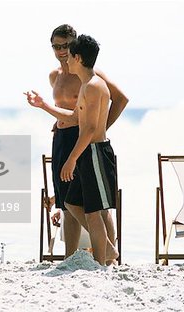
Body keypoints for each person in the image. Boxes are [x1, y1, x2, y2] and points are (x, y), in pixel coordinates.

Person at [26, 34, 118, 265]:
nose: (64, 57)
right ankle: (107, 249)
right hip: (85, 151)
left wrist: (71, 159)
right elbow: (76, 118)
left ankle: (101, 260)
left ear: (77, 57)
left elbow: (88, 130)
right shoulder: (87, 85)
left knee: (94, 211)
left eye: (68, 53)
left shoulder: (95, 85)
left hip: (94, 151)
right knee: (70, 203)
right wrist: (43, 105)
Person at [46, 24, 128, 261]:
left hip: (83, 141)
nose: (61, 51)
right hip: (62, 139)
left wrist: (99, 129)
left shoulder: (92, 75)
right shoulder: (55, 76)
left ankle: (110, 255)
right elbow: (70, 111)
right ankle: (71, 257)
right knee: (66, 202)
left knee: (97, 204)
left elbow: (120, 100)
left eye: (66, 46)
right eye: (56, 46)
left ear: (75, 47)